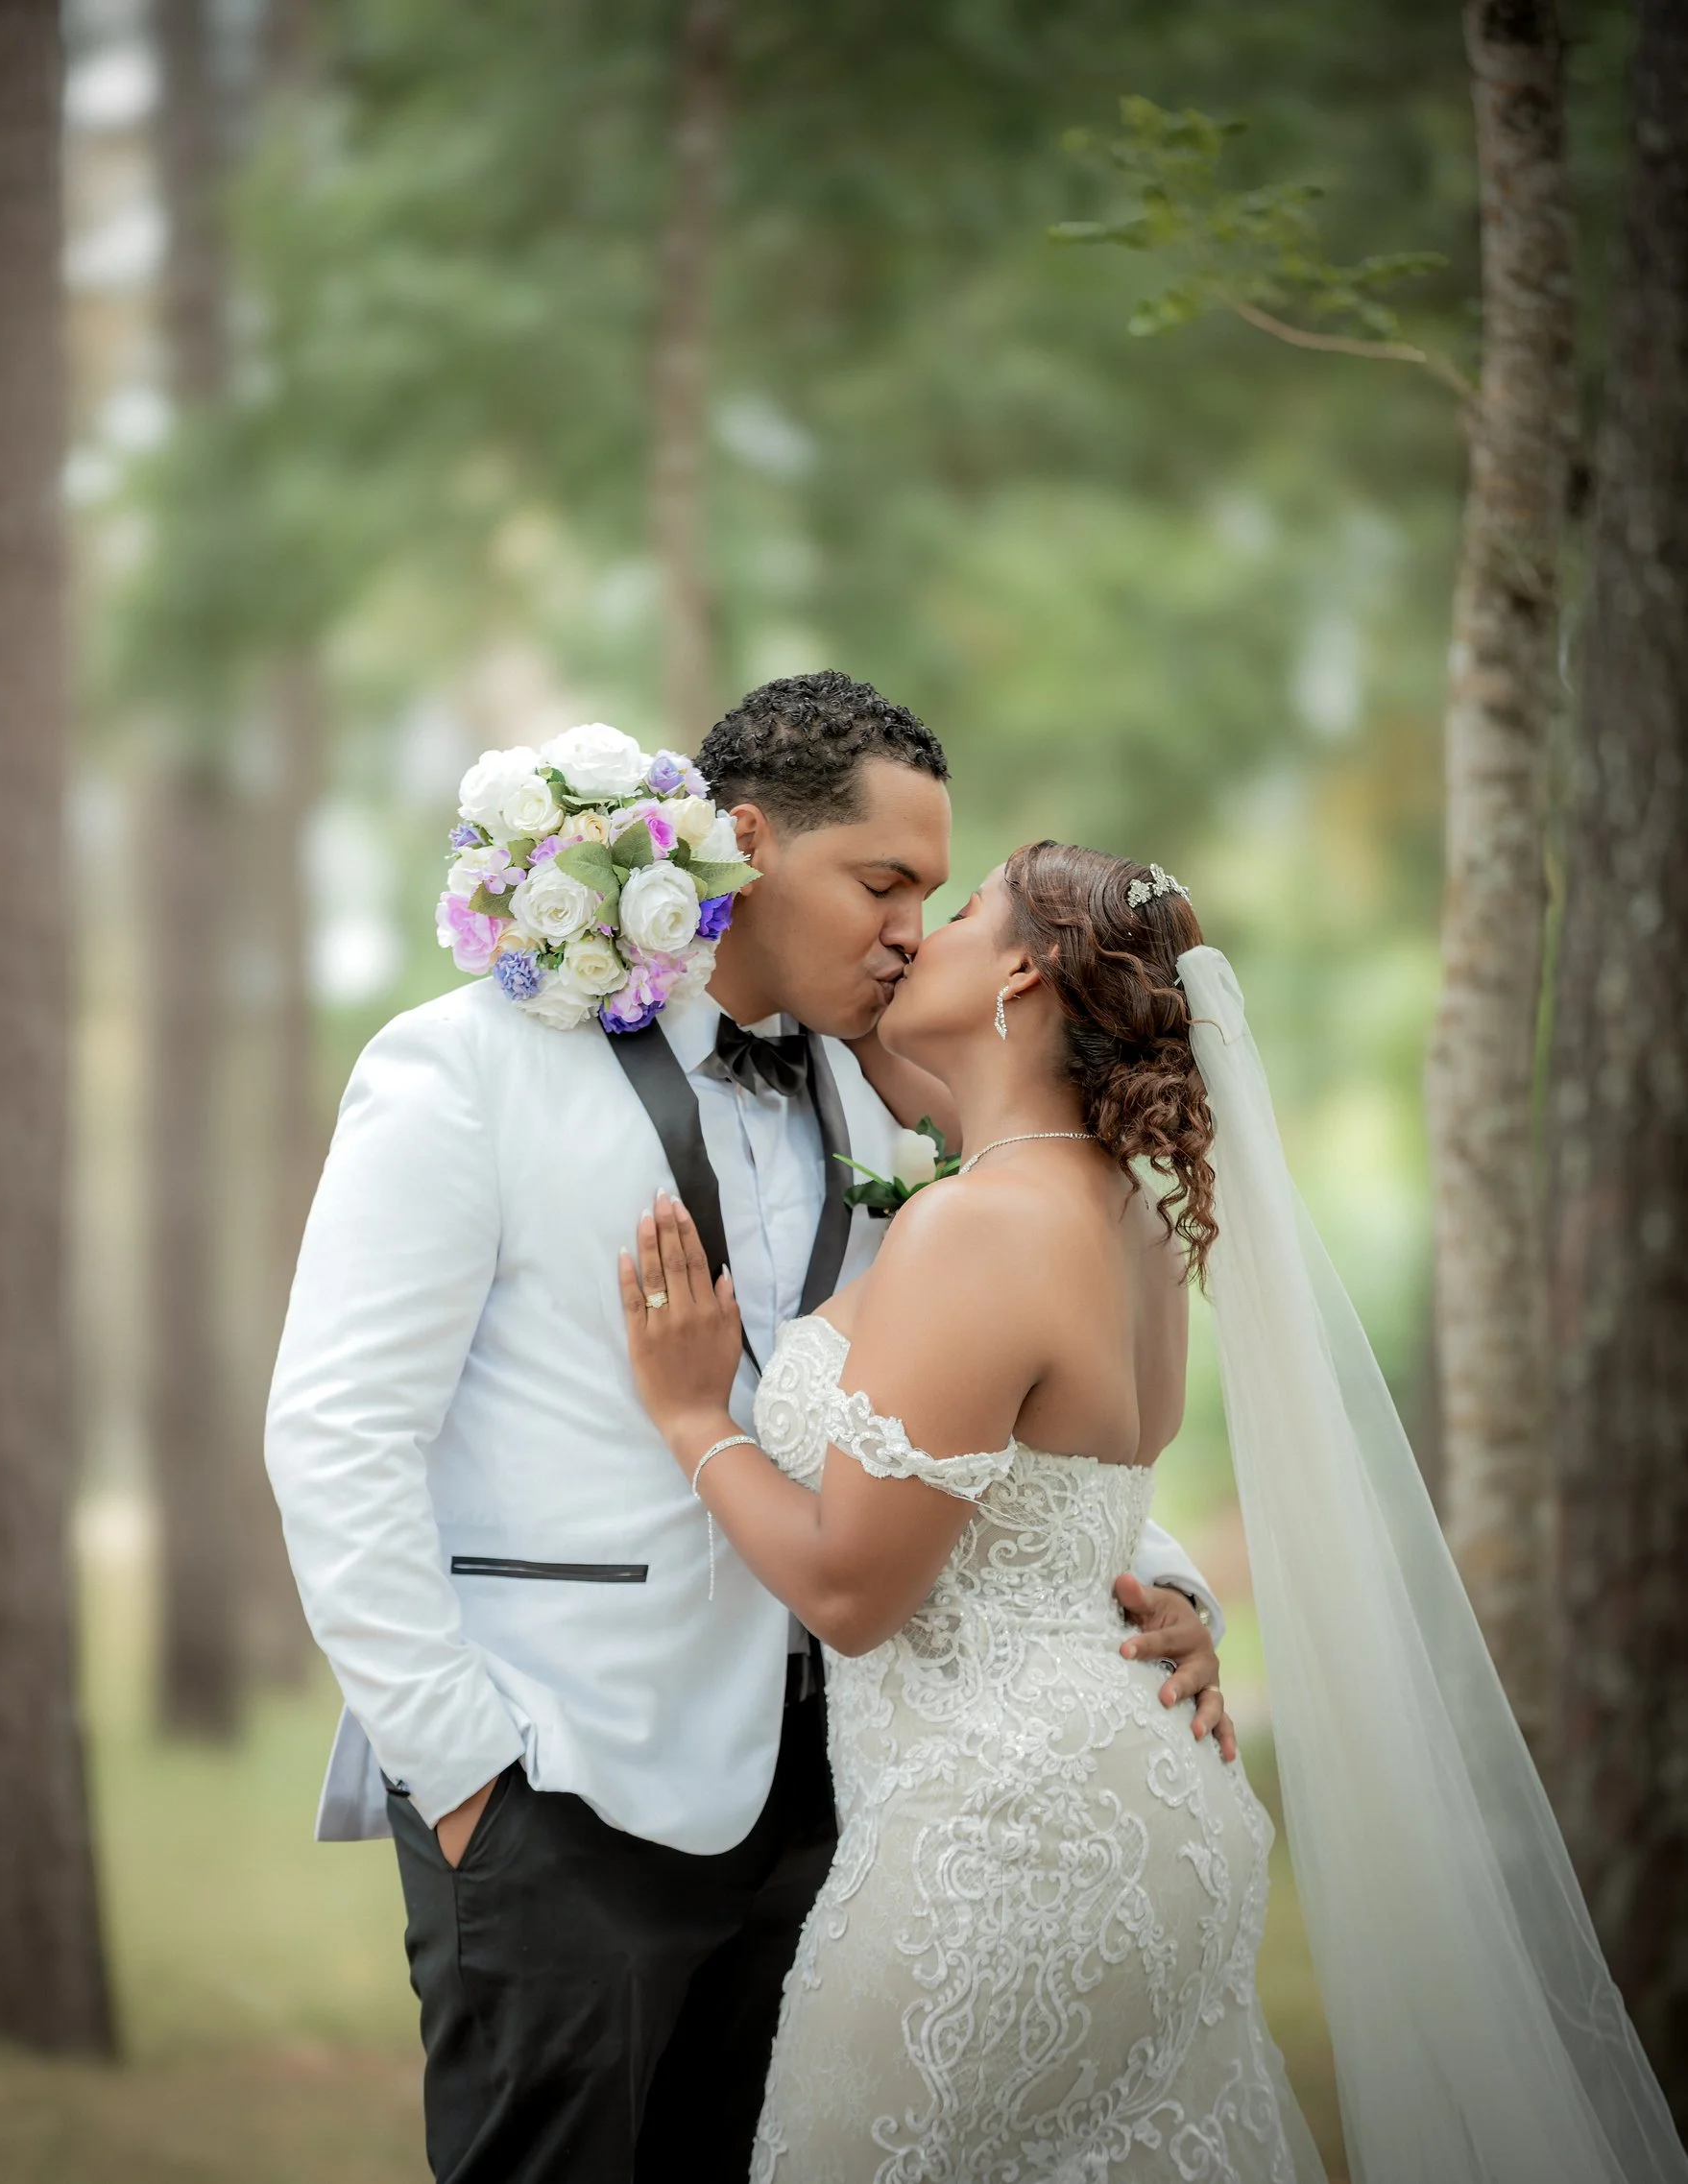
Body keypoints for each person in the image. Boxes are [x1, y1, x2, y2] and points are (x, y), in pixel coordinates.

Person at [264, 678, 1229, 2183]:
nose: (910, 929)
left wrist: (1157, 1582)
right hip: (570, 1789)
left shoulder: (893, 1099)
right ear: (752, 841)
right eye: (882, 882)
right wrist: (462, 1781)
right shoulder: (463, 1066)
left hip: (838, 1815)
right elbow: (336, 1435)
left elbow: (964, 1409)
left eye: (933, 896)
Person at [621, 843, 1688, 2184]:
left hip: (998, 1838)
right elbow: (1070, 1509)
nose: (911, 936)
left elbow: (851, 1591)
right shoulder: (1130, 1218)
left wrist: (694, 1418)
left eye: (954, 910)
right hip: (1161, 1810)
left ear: (1021, 971)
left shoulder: (977, 1226)